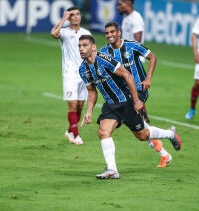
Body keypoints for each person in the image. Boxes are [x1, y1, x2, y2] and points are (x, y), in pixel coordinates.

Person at [78, 35, 182, 179]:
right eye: (80, 46)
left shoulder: (104, 59)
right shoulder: (83, 69)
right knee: (103, 132)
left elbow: (128, 76)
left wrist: (136, 101)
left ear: (93, 47)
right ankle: (112, 170)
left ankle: (170, 134)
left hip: (125, 102)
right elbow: (92, 92)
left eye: (85, 45)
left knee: (142, 135)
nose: (81, 49)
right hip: (110, 105)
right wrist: (88, 111)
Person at [100, 22, 175, 168]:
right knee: (140, 129)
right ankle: (166, 147)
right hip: (121, 94)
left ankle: (112, 168)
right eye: (107, 33)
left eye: (112, 32)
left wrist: (148, 78)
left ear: (119, 32)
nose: (109, 35)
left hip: (139, 90)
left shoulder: (132, 45)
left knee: (137, 126)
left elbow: (153, 57)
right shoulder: (105, 52)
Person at [51, 6, 91, 145]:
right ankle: (76, 134)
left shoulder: (86, 32)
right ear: (69, 17)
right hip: (69, 73)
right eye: (72, 15)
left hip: (84, 73)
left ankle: (69, 130)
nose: (75, 16)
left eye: (78, 14)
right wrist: (63, 19)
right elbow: (53, 33)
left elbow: (92, 50)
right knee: (72, 103)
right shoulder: (64, 32)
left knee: (80, 105)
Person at [117, 0, 150, 123]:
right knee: (130, 86)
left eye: (120, 4)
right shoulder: (127, 18)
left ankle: (140, 114)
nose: (118, 7)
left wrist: (132, 57)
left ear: (128, 3)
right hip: (127, 58)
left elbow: (138, 40)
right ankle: (142, 114)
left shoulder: (135, 18)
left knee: (134, 86)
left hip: (133, 59)